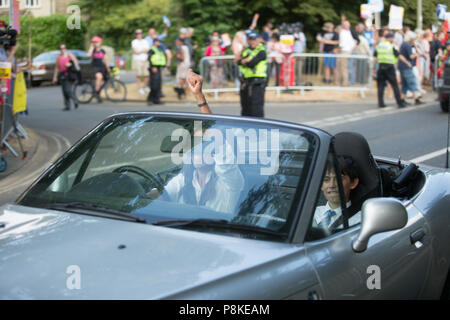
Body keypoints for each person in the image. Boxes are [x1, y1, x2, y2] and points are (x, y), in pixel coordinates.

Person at [313, 156, 360, 229]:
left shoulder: (359, 221)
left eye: (339, 179)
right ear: (321, 185)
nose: (332, 185)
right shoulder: (311, 213)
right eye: (326, 179)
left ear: (353, 183)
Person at [236, 30, 268, 117]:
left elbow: (251, 63)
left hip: (258, 80)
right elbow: (237, 61)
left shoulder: (261, 50)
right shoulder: (246, 50)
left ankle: (259, 125)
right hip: (246, 80)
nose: (252, 41)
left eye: (254, 39)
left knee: (257, 105)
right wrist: (244, 60)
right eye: (250, 39)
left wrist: (244, 61)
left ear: (258, 39)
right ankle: (246, 124)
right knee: (245, 105)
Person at [373, 33, 407, 108]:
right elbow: (398, 55)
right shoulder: (391, 46)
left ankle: (380, 103)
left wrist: (373, 68)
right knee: (395, 85)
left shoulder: (379, 46)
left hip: (381, 67)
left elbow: (375, 58)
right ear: (390, 38)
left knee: (380, 86)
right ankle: (399, 103)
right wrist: (407, 63)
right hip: (389, 67)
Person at [398, 31, 423, 105]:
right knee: (412, 82)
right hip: (407, 66)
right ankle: (416, 99)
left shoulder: (403, 44)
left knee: (404, 83)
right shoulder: (408, 45)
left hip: (402, 66)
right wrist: (417, 54)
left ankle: (402, 99)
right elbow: (411, 56)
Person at [53, 44, 80, 111]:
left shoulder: (69, 55)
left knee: (68, 90)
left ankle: (75, 100)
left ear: (65, 48)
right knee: (64, 91)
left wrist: (70, 64)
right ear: (59, 49)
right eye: (61, 48)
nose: (62, 50)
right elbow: (56, 67)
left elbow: (76, 62)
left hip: (69, 74)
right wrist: (55, 77)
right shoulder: (58, 57)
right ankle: (67, 106)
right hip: (62, 74)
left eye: (64, 48)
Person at [86, 36, 110, 102]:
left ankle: (98, 93)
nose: (95, 43)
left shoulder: (102, 51)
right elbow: (88, 55)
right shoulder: (92, 50)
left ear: (100, 43)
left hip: (101, 68)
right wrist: (91, 47)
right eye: (94, 42)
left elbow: (106, 60)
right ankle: (96, 91)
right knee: (99, 77)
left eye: (96, 42)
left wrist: (108, 68)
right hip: (94, 68)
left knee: (103, 80)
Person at [147, 38, 168, 106]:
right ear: (154, 42)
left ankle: (156, 100)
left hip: (159, 68)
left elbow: (162, 58)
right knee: (154, 85)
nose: (159, 43)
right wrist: (153, 66)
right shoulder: (152, 49)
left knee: (158, 85)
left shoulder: (159, 49)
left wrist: (164, 68)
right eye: (158, 42)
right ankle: (150, 99)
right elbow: (149, 58)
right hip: (154, 68)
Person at [131, 29, 150, 95]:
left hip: (145, 59)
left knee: (147, 74)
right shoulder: (134, 41)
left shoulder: (145, 41)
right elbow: (136, 51)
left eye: (140, 33)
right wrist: (143, 50)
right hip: (137, 60)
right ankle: (140, 88)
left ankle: (145, 87)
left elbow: (148, 50)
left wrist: (140, 51)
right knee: (138, 75)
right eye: (137, 34)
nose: (139, 35)